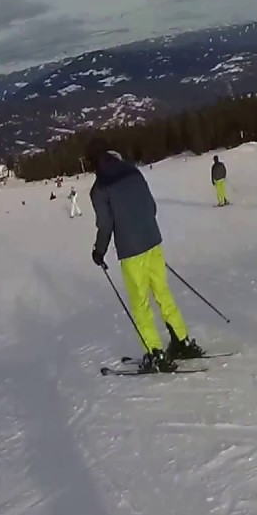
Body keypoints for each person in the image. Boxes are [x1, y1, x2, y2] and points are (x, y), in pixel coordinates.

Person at [87, 138, 204, 372]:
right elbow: (151, 206)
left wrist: (99, 251)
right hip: (153, 240)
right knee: (163, 292)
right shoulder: (133, 172)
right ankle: (182, 341)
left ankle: (155, 352)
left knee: (140, 303)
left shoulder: (100, 188)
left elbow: (106, 225)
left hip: (132, 252)